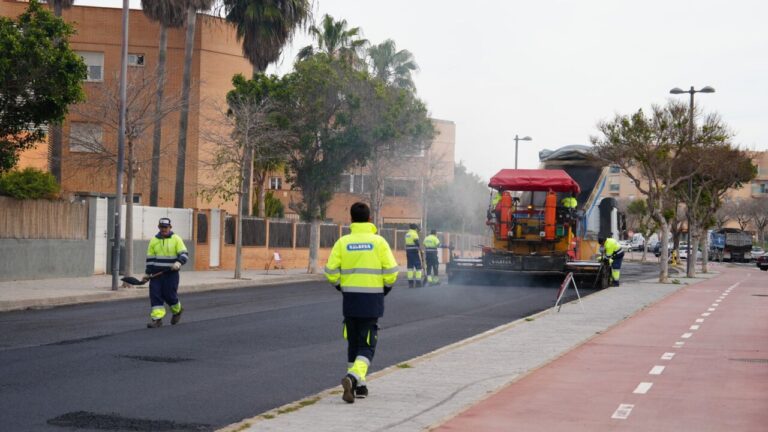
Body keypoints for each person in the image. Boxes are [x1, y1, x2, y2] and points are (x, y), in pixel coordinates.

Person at [324, 202, 398, 403]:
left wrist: (341, 287)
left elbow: (330, 271)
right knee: (367, 346)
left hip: (350, 301)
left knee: (354, 343)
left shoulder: (343, 242)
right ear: (369, 219)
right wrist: (384, 288)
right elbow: (392, 272)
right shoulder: (379, 242)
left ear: (351, 219)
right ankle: (353, 377)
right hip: (372, 301)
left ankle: (359, 386)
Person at [144, 217, 189, 328]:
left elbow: (184, 254)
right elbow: (150, 259)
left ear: (170, 227)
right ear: (158, 227)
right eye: (162, 227)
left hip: (171, 273)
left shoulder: (176, 239)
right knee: (155, 295)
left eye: (166, 227)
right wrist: (147, 273)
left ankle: (177, 311)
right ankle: (157, 319)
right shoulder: (154, 240)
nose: (164, 229)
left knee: (169, 295)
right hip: (156, 274)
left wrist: (178, 262)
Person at [404, 223, 423, 287]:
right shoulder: (414, 234)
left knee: (410, 267)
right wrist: (420, 249)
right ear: (415, 228)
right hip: (414, 252)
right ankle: (418, 282)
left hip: (408, 252)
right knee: (418, 266)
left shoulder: (407, 234)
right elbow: (417, 243)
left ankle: (410, 283)